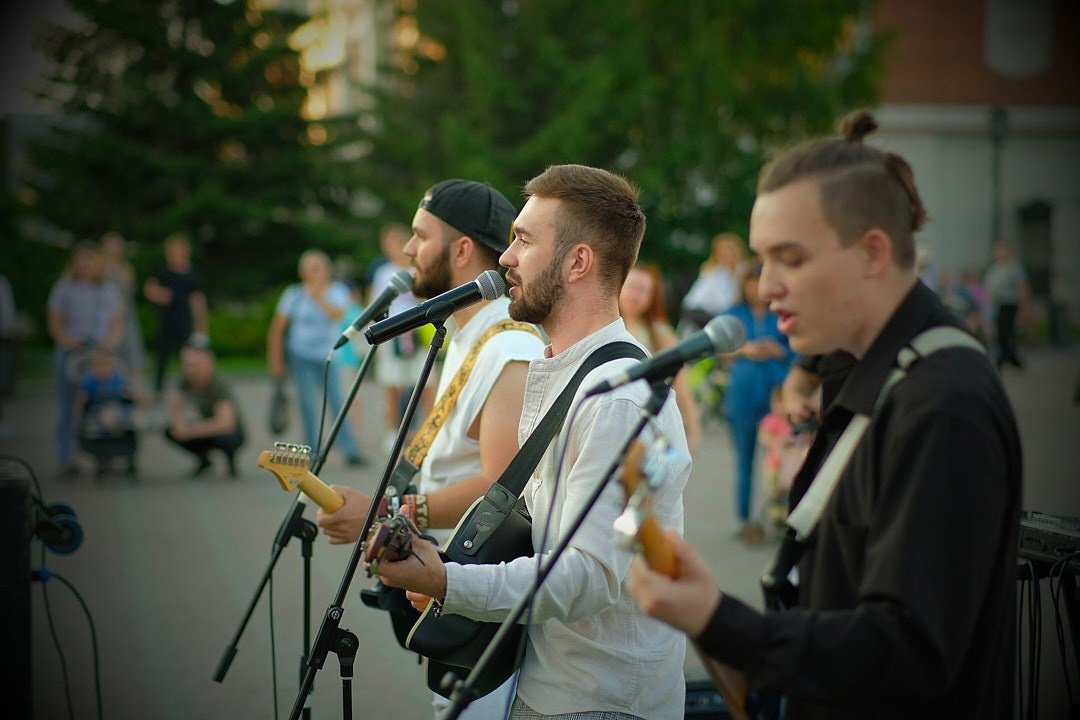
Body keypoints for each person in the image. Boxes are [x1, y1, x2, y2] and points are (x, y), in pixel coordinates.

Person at [626, 110, 1022, 719]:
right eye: (761, 261)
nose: (765, 286)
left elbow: (910, 653)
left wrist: (719, 621)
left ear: (872, 251)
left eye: (790, 258)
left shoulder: (944, 400)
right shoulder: (875, 371)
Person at [374, 164, 692, 719]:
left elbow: (588, 575)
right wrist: (446, 568)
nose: (505, 257)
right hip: (555, 682)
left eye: (523, 240)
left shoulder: (617, 400)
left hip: (598, 703)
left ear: (577, 262)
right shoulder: (567, 369)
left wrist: (450, 581)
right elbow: (540, 531)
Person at [316, 179, 546, 718]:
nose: (407, 250)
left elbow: (501, 488)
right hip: (449, 580)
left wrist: (388, 511)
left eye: (421, 236)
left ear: (462, 249)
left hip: (475, 585)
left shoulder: (510, 344)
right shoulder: (467, 334)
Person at [266, 250, 367, 466]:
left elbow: (339, 315)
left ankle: (350, 450)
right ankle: (311, 452)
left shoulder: (337, 291)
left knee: (338, 402)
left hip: (329, 356)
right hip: (301, 355)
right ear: (303, 272)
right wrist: (276, 362)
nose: (318, 273)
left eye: (320, 268)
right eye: (313, 268)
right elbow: (278, 328)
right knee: (308, 404)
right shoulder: (293, 294)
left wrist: (319, 298)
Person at [721, 263, 794, 544]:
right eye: (751, 282)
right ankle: (744, 519)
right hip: (743, 395)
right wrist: (744, 350)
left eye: (760, 281)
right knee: (745, 459)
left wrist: (777, 350)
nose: (756, 288)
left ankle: (779, 515)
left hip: (777, 397)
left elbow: (798, 351)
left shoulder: (783, 311)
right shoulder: (734, 314)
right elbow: (719, 351)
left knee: (781, 460)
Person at [47, 241, 123, 476]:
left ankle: (104, 455)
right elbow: (55, 321)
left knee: (102, 404)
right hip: (73, 351)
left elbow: (117, 323)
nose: (85, 266)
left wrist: (108, 345)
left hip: (99, 354)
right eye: (81, 262)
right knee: (68, 406)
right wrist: (69, 342)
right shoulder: (64, 288)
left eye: (90, 262)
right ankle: (66, 458)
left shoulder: (107, 289)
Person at [619, 262, 701, 454]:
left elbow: (680, 380)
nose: (634, 296)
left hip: (644, 420)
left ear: (651, 296)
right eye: (631, 287)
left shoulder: (659, 333)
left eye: (642, 291)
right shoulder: (604, 324)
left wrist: (693, 428)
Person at [370, 222, 434, 454]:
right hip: (393, 335)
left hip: (417, 334)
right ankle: (393, 433)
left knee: (426, 383)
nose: (389, 250)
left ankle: (428, 430)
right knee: (392, 386)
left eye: (392, 244)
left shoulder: (419, 269)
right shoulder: (383, 273)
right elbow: (375, 304)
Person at [164, 338, 245, 477]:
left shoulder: (218, 384)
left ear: (207, 362)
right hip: (206, 424)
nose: (189, 369)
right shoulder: (186, 380)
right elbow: (177, 405)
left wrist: (191, 431)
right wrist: (178, 423)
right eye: (186, 364)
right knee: (171, 431)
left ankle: (231, 462)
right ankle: (203, 460)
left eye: (194, 364)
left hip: (230, 430)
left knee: (227, 437)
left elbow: (225, 424)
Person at [143, 233, 208, 398]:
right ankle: (158, 389)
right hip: (165, 319)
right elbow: (149, 289)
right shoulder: (162, 270)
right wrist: (159, 294)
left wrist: (201, 326)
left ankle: (188, 390)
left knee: (188, 357)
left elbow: (198, 301)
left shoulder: (191, 273)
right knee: (162, 357)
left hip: (184, 320)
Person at [100, 231, 146, 386]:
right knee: (110, 353)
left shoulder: (126, 268)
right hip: (107, 318)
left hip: (126, 316)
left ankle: (132, 390)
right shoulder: (101, 268)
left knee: (133, 353)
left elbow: (129, 293)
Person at [679, 231, 748, 331]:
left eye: (730, 251)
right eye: (723, 252)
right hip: (707, 318)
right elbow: (692, 304)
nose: (727, 255)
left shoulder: (744, 271)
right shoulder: (711, 274)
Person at [983, 240, 1030, 370]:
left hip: (1009, 304)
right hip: (997, 305)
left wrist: (1023, 306)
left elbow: (1022, 287)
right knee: (1001, 333)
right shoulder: (994, 268)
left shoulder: (1014, 268)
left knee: (1006, 333)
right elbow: (988, 289)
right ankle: (1008, 358)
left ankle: (1007, 359)